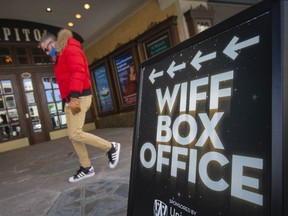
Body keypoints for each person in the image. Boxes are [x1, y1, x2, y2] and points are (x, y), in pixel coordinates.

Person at [38, 29, 120, 183]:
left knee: (75, 133)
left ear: (53, 43)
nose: (47, 52)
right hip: (70, 100)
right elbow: (65, 81)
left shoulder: (70, 49)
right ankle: (86, 167)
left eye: (46, 49)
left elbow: (78, 72)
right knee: (73, 136)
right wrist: (67, 100)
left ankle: (111, 147)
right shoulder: (59, 57)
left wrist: (74, 96)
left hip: (80, 96)